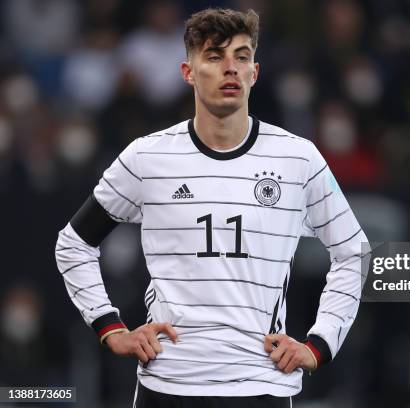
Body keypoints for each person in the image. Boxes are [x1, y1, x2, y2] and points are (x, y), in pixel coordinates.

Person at [55, 7, 369, 407]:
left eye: (241, 57)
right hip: (169, 385)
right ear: (188, 72)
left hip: (261, 385)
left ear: (255, 72)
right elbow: (73, 244)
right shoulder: (147, 158)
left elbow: (354, 253)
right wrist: (110, 328)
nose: (231, 69)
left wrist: (320, 343)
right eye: (215, 56)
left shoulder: (299, 160)